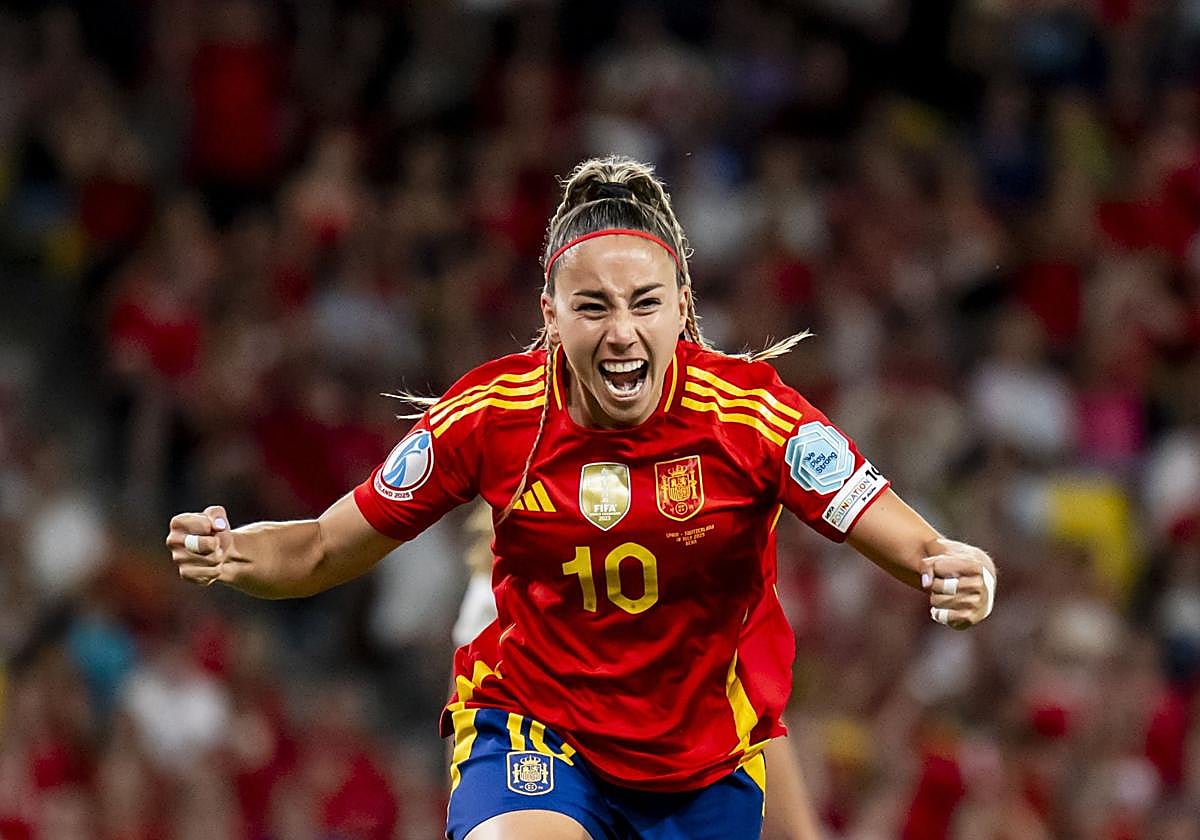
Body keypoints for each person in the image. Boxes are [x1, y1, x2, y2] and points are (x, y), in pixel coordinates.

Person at [167, 156, 997, 840]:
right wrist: (231, 552)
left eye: (644, 304)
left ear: (683, 309)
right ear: (551, 315)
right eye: (592, 307)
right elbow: (319, 547)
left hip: (702, 764)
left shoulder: (752, 416)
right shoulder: (491, 419)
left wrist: (953, 565)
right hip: (537, 729)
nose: (622, 333)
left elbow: (894, 531)